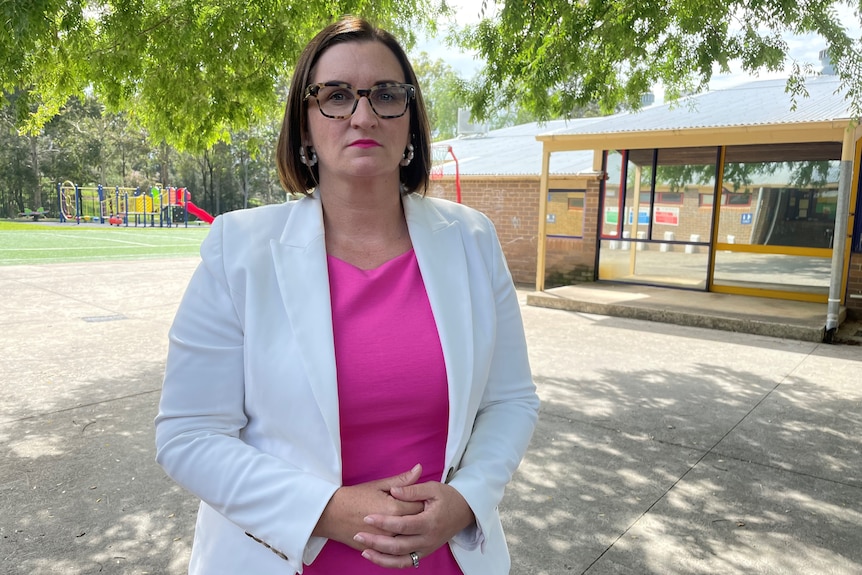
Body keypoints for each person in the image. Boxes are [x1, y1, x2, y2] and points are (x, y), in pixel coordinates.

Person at [155, 15, 539, 575]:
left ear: (411, 120)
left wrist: (464, 502)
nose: (363, 114)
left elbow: (511, 401)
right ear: (305, 126)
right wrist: (328, 511)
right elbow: (188, 434)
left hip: (443, 560)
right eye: (336, 96)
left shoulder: (473, 240)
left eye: (386, 95)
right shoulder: (239, 250)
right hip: (282, 558)